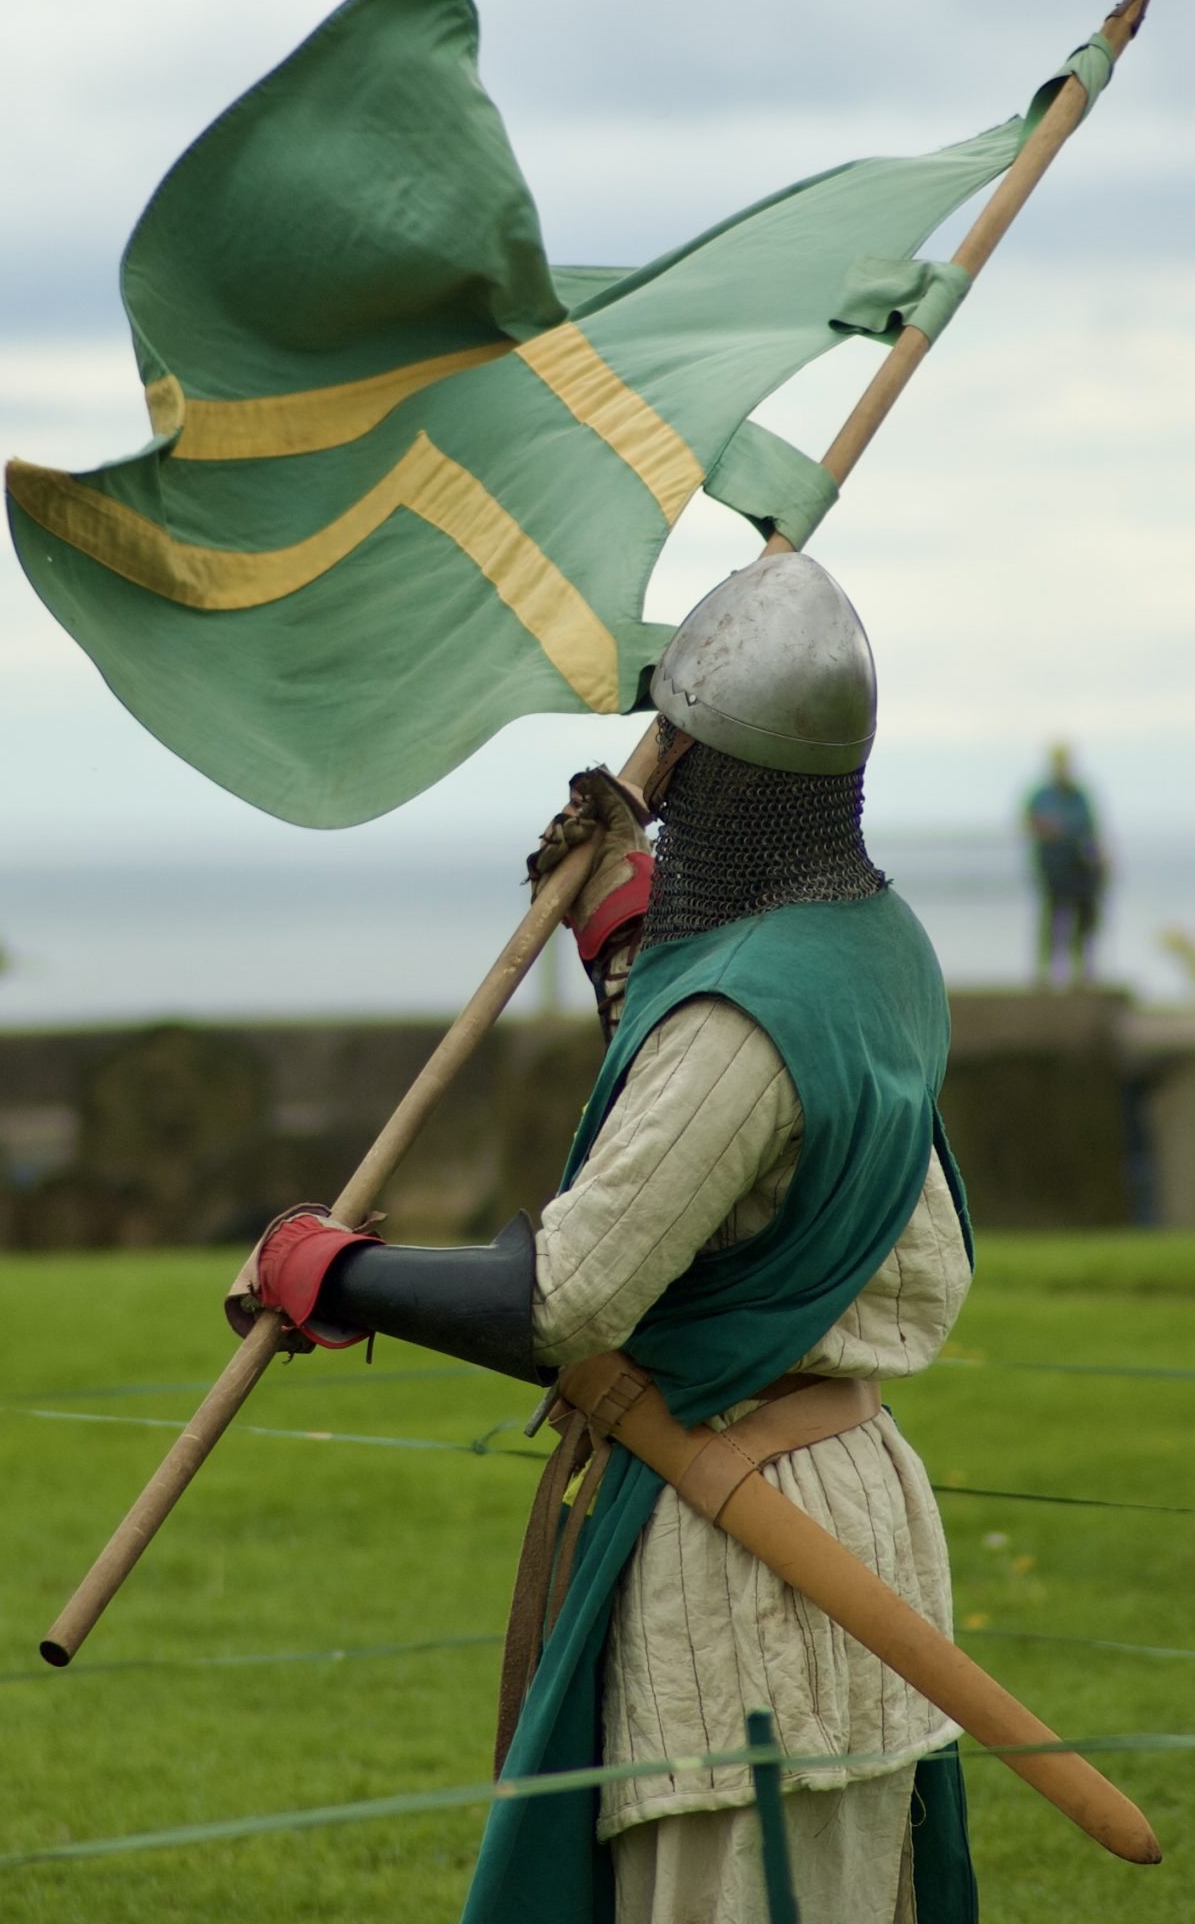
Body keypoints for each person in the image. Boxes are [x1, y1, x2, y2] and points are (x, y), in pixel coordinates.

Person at [231, 554, 976, 1923]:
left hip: (750, 1560)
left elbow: (566, 1297)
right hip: (847, 1491)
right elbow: (767, 1183)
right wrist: (631, 946)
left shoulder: (738, 1022)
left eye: (673, 736)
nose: (659, 762)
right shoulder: (877, 948)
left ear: (700, 757)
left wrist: (328, 1271)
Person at [1024, 744, 1106, 989]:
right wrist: (1047, 829)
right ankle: (1045, 973)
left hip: (1081, 869)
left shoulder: (1080, 795)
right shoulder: (1042, 796)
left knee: (1085, 922)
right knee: (1052, 921)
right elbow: (1030, 824)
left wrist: (1101, 861)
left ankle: (1082, 973)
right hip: (1053, 869)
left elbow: (1092, 830)